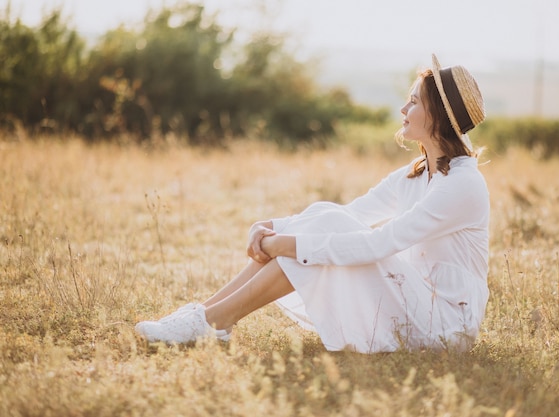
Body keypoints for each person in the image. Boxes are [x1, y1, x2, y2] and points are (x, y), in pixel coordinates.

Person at [135, 54, 490, 353]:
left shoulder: (463, 185)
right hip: (414, 299)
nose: (403, 107)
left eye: (414, 102)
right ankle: (207, 314)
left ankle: (213, 321)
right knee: (326, 214)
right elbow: (350, 215)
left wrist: (285, 244)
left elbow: (380, 243)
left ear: (437, 118)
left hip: (445, 324)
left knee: (322, 234)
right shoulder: (414, 174)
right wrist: (272, 227)